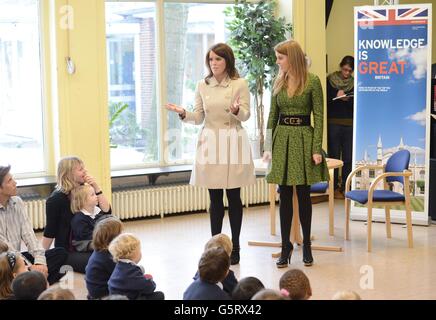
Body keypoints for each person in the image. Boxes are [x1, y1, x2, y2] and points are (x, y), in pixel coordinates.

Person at [165, 43, 256, 265]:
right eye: (211, 59)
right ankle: (215, 246)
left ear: (227, 61)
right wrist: (183, 113)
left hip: (233, 140)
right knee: (214, 198)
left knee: (234, 197)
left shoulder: (239, 84)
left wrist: (235, 111)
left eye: (218, 59)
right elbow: (198, 117)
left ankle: (236, 247)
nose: (213, 63)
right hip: (210, 141)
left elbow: (245, 115)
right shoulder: (202, 85)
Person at [263, 40, 329, 268]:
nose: (277, 61)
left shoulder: (313, 81)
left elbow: (319, 117)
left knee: (303, 194)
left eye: (280, 57)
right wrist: (268, 146)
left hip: (304, 138)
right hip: (282, 139)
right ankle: (285, 246)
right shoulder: (278, 81)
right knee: (284, 195)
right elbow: (273, 115)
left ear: (292, 57)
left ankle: (307, 246)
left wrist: (316, 148)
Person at [0, 165, 68, 284]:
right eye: (10, 181)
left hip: (18, 259)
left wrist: (39, 262)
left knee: (60, 254)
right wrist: (29, 266)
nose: (15, 182)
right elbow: (6, 249)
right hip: (4, 263)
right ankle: (33, 282)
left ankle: (28, 282)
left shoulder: (17, 202)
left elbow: (29, 236)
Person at [42, 156, 111, 273]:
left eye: (84, 168)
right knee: (105, 260)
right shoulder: (56, 199)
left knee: (119, 252)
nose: (85, 171)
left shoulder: (84, 191)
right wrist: (41, 258)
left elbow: (106, 211)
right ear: (68, 174)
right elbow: (50, 231)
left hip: (89, 243)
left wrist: (96, 187)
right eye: (80, 169)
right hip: (69, 250)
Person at [326, 56, 355, 199]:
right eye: (345, 69)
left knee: (348, 157)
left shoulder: (355, 83)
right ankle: (333, 188)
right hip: (334, 124)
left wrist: (347, 99)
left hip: (349, 125)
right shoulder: (330, 80)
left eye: (350, 71)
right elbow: (325, 101)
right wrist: (335, 95)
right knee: (334, 156)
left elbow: (357, 105)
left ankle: (345, 187)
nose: (347, 73)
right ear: (340, 66)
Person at [108, 233, 164, 300]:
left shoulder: (120, 266)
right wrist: (150, 280)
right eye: (139, 250)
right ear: (133, 253)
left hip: (116, 297)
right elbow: (150, 288)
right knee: (159, 295)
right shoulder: (131, 272)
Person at [85, 216, 123, 299]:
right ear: (114, 238)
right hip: (105, 295)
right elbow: (123, 277)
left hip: (95, 292)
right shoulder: (108, 257)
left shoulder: (100, 252)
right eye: (121, 233)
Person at [70, 184, 112, 252]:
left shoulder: (98, 211)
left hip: (97, 237)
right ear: (83, 200)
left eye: (95, 194)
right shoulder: (79, 219)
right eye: (92, 195)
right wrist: (104, 235)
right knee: (107, 245)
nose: (96, 196)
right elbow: (85, 236)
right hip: (84, 243)